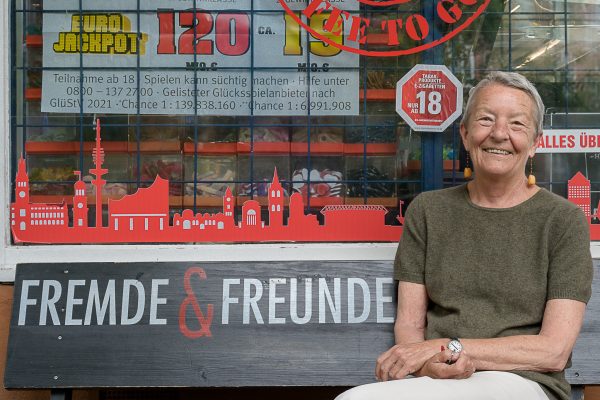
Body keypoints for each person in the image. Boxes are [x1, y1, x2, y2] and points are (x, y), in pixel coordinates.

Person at [335, 71, 593, 400]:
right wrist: (429, 364)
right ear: (465, 134)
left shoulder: (563, 220)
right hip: (441, 379)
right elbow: (409, 325)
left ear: (535, 144)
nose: (499, 134)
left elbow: (553, 351)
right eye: (486, 120)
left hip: (524, 382)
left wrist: (448, 347)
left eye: (517, 124)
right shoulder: (428, 211)